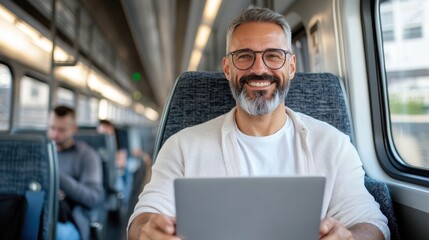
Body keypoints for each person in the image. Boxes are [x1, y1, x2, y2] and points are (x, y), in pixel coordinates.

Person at [128, 7, 389, 240]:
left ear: (291, 66)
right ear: (228, 68)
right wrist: (147, 230)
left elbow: (372, 223)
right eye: (244, 56)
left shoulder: (333, 145)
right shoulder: (182, 146)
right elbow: (143, 217)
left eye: (273, 55)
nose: (259, 69)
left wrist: (351, 237)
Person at [47, 105, 103, 240]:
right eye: (52, 128)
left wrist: (56, 177)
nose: (55, 134)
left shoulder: (87, 155)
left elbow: (93, 198)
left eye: (61, 130)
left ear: (74, 129)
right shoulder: (41, 153)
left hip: (70, 218)